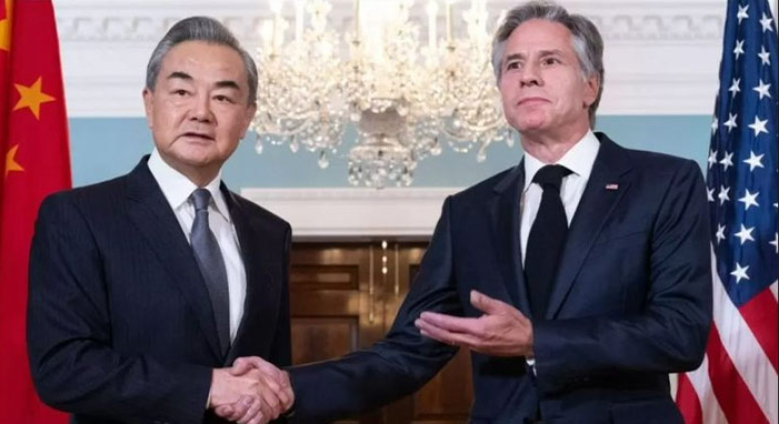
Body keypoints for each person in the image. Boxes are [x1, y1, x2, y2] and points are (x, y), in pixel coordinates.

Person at [240, 1, 712, 423]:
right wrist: (291, 388)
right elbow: (409, 350)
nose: (527, 76)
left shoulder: (663, 183)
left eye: (549, 61)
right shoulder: (468, 212)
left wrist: (536, 340)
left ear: (591, 85)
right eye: (513, 65)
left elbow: (680, 333)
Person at [27, 16, 293, 424]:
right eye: (182, 91)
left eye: (223, 98)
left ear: (247, 118)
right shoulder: (78, 217)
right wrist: (207, 387)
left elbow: (274, 374)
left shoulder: (270, 233)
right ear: (150, 105)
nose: (201, 112)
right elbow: (62, 369)